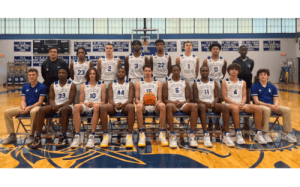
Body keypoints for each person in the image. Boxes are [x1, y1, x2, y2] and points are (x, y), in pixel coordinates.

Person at [29, 67, 76, 149]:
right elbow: (51, 98)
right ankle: (38, 136)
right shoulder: (53, 85)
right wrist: (53, 105)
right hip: (55, 105)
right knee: (41, 110)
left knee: (65, 110)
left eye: (63, 73)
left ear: (67, 74)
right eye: (60, 73)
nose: (61, 74)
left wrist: (60, 106)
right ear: (58, 75)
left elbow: (71, 99)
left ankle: (63, 136)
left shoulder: (72, 85)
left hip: (66, 106)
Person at [222, 63, 266, 145]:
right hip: (229, 104)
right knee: (235, 108)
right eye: (232, 69)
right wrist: (236, 104)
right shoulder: (225, 82)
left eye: (236, 69)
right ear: (229, 71)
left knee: (258, 108)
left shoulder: (243, 82)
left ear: (239, 71)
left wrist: (242, 103)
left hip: (241, 104)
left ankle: (257, 133)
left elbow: (244, 96)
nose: (234, 71)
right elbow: (225, 97)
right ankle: (238, 133)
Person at [251, 69, 297, 143]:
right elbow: (256, 102)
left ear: (268, 76)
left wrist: (276, 105)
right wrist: (270, 106)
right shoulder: (255, 86)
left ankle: (285, 134)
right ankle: (265, 133)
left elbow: (276, 99)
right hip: (260, 106)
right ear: (258, 77)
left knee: (287, 110)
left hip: (271, 106)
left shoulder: (272, 87)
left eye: (264, 74)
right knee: (267, 109)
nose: (263, 76)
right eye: (261, 74)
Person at [193, 66, 235, 147]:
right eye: (203, 71)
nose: (205, 72)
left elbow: (216, 97)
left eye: (206, 71)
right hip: (202, 104)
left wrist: (213, 103)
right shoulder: (196, 83)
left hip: (212, 103)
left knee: (225, 107)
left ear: (209, 72)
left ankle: (226, 134)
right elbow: (195, 99)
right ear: (200, 72)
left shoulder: (214, 82)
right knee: (202, 107)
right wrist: (205, 103)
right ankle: (205, 134)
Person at [2, 68, 46, 145]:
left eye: (33, 75)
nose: (31, 76)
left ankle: (31, 135)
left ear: (37, 76)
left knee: (33, 111)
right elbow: (23, 100)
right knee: (7, 112)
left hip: (37, 107)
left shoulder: (42, 86)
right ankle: (12, 135)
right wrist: (23, 108)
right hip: (25, 107)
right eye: (30, 75)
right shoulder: (25, 87)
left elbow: (40, 102)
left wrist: (28, 108)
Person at [163, 65, 198, 148]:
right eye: (174, 70)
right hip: (172, 104)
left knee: (194, 106)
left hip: (183, 104)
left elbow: (189, 98)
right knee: (168, 106)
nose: (176, 72)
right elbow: (164, 99)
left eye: (177, 70)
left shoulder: (185, 82)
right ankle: (172, 135)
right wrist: (173, 102)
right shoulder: (167, 83)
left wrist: (183, 102)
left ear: (180, 71)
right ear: (171, 72)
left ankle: (192, 134)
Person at [99, 67, 135, 148]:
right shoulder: (112, 84)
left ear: (125, 74)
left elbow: (130, 99)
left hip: (125, 105)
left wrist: (123, 105)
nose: (121, 73)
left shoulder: (130, 84)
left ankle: (129, 135)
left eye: (122, 72)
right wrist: (115, 105)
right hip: (114, 105)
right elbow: (110, 99)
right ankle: (105, 135)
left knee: (132, 107)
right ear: (117, 74)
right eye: (119, 72)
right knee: (103, 107)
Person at [70, 67, 105, 148]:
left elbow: (103, 101)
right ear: (88, 75)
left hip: (96, 105)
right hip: (86, 105)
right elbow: (81, 101)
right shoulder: (83, 86)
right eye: (90, 74)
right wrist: (86, 104)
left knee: (96, 106)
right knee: (76, 106)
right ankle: (77, 136)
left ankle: (92, 136)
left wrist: (95, 103)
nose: (92, 75)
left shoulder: (102, 85)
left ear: (97, 75)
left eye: (94, 74)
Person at [135, 65, 167, 147]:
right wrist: (141, 103)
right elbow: (136, 100)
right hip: (144, 105)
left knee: (162, 105)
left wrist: (156, 102)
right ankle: (141, 134)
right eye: (146, 71)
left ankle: (162, 133)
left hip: (154, 105)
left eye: (149, 71)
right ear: (143, 72)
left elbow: (160, 99)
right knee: (138, 106)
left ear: (152, 72)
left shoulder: (158, 83)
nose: (147, 72)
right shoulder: (139, 83)